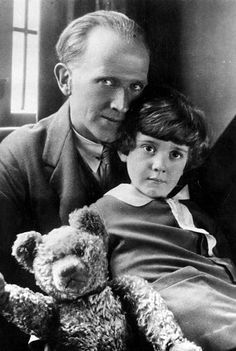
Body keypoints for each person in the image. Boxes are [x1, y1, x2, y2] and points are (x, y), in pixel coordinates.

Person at [0, 10, 150, 351]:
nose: (122, 104)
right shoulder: (16, 157)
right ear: (65, 79)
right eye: (107, 81)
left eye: (135, 86)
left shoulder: (152, 153)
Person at [89, 88, 236, 351]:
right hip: (164, 307)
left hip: (217, 298)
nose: (160, 164)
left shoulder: (196, 214)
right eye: (149, 148)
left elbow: (223, 268)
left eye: (176, 154)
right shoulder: (103, 211)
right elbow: (70, 263)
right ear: (124, 149)